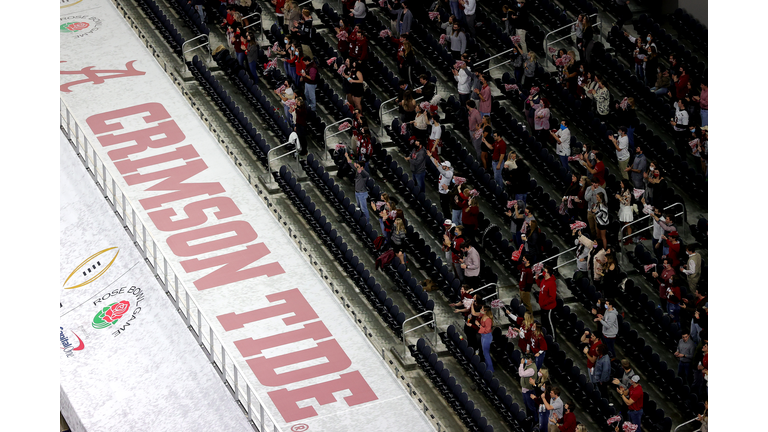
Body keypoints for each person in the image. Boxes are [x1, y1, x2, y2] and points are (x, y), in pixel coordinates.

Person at [345, 151, 370, 223]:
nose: (357, 167)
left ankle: (367, 222)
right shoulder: (358, 170)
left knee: (364, 209)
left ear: (362, 167)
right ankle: (362, 219)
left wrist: (358, 168)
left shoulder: (364, 173)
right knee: (359, 207)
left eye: (359, 166)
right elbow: (350, 162)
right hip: (357, 193)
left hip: (362, 193)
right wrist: (347, 156)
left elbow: (365, 174)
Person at [536, 265, 557, 342]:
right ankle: (546, 337)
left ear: (548, 273)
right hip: (543, 306)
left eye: (545, 271)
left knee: (550, 324)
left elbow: (552, 298)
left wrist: (544, 303)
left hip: (548, 308)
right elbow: (541, 287)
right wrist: (537, 280)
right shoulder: (544, 279)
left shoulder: (551, 283)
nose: (543, 272)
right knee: (544, 323)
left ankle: (553, 339)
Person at [474, 304, 494, 372]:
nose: (481, 310)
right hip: (483, 336)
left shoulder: (488, 320)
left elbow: (487, 330)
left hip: (487, 336)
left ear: (485, 311)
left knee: (486, 353)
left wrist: (479, 325)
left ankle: (490, 369)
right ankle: (486, 367)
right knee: (484, 353)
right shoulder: (483, 315)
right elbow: (474, 313)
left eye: (482, 309)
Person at [616, 180, 633, 244]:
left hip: (626, 210)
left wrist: (619, 198)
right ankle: (624, 237)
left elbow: (625, 202)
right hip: (622, 208)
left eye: (621, 183)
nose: (620, 184)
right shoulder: (623, 190)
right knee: (623, 224)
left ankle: (629, 238)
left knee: (627, 225)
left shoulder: (627, 192)